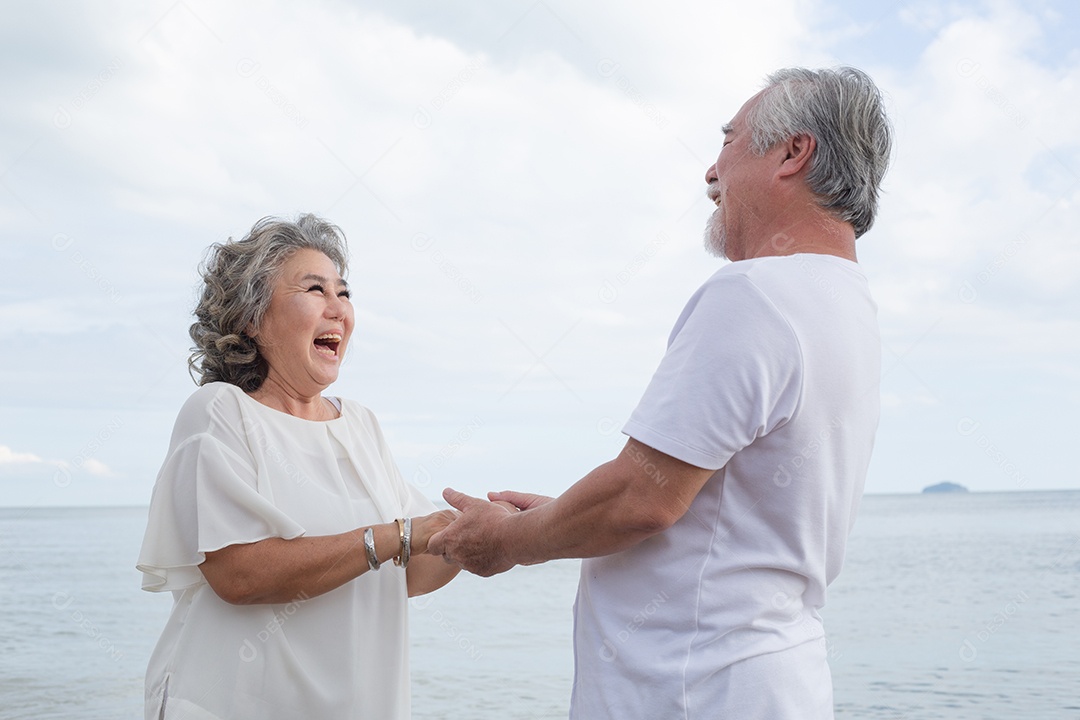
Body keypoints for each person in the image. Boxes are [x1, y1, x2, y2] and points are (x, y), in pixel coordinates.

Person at [429, 66, 893, 719]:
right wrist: (562, 515)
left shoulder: (757, 294)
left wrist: (505, 543)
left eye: (729, 142)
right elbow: (721, 502)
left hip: (695, 690)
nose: (710, 171)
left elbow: (643, 498)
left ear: (793, 152)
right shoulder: (845, 305)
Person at [137, 215, 460, 719]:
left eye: (344, 292)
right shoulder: (221, 412)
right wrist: (400, 535)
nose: (339, 310)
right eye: (315, 289)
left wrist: (471, 535)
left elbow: (411, 572)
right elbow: (239, 573)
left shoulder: (361, 425)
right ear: (252, 317)